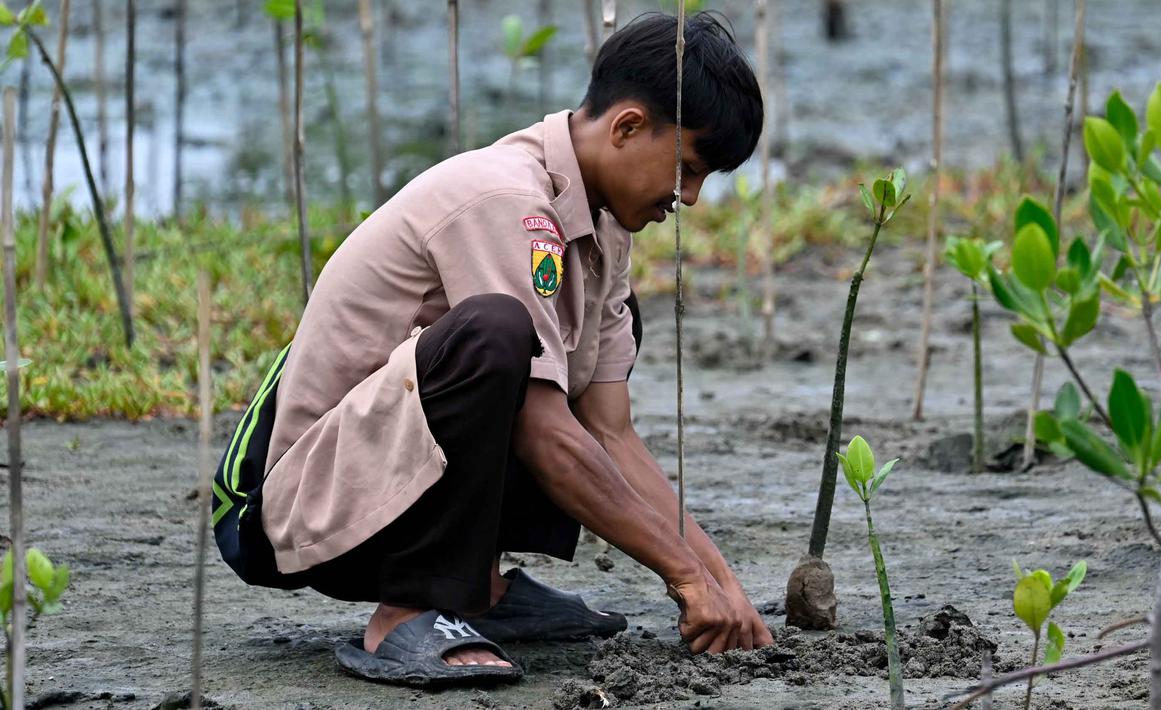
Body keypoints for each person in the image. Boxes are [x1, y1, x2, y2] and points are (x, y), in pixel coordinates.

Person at [211, 10, 772, 688]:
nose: (687, 197)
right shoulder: (505, 198)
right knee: (497, 336)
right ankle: (410, 607)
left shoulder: (602, 225)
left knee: (577, 338)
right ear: (626, 126)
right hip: (300, 512)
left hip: (387, 488)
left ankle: (479, 589)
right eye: (686, 168)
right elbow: (542, 431)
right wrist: (681, 575)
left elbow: (610, 431)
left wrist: (720, 581)